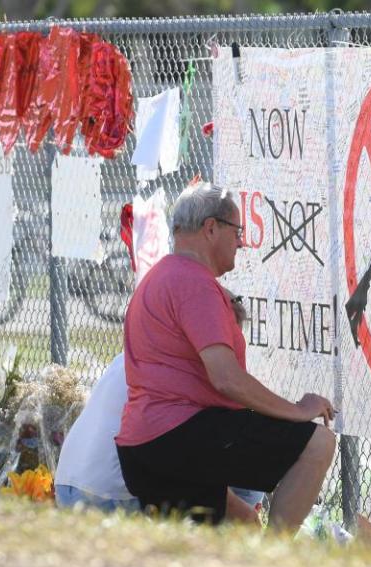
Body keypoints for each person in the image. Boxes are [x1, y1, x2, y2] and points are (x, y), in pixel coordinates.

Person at [115, 181, 336, 529]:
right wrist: (296, 412)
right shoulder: (193, 282)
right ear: (211, 228)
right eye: (237, 230)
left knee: (217, 542)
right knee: (318, 443)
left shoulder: (159, 277)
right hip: (177, 439)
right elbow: (227, 378)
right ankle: (274, 563)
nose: (241, 241)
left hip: (142, 447)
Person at [54, 352, 262, 522]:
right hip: (109, 498)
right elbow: (186, 462)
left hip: (65, 486)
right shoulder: (190, 371)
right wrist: (243, 512)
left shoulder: (134, 354)